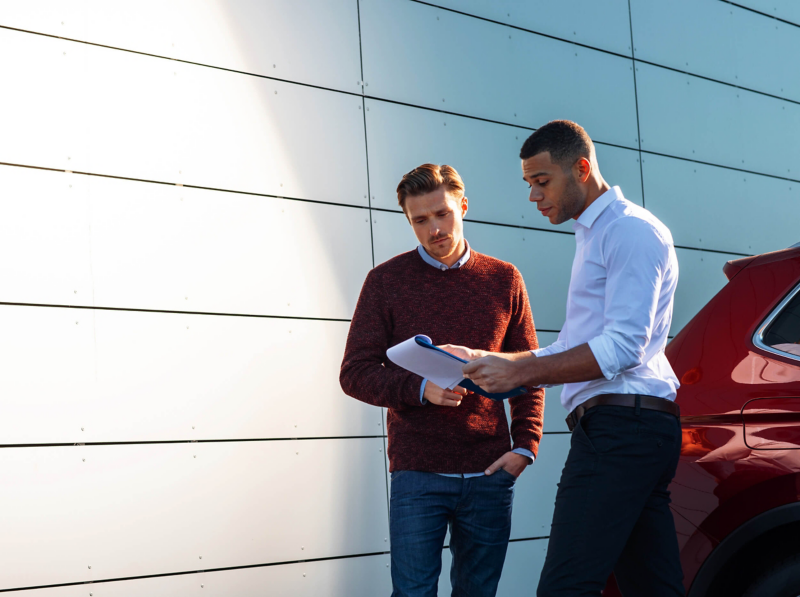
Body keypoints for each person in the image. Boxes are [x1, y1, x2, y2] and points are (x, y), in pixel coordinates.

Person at [443, 121, 685, 596]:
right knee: (653, 588)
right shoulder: (595, 236)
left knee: (565, 587)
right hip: (632, 430)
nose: (533, 195)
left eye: (542, 181)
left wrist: (522, 370)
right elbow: (572, 347)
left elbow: (622, 348)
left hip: (621, 431)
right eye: (528, 184)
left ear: (581, 168)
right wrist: (492, 359)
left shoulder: (629, 231)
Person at [339, 163, 544, 597]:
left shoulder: (504, 279)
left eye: (443, 214)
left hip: (489, 471)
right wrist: (417, 390)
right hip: (419, 472)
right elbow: (354, 372)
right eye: (420, 220)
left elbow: (529, 371)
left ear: (463, 206)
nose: (435, 229)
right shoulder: (385, 282)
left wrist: (525, 447)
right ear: (409, 221)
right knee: (413, 594)